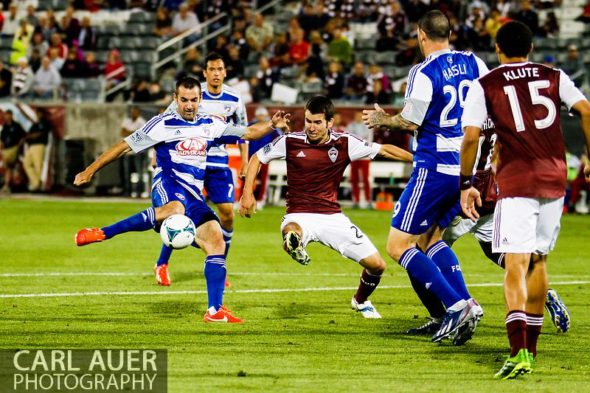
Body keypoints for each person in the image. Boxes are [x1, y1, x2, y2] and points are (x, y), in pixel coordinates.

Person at [73, 76, 290, 324]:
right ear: (175, 99)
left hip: (194, 195)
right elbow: (123, 146)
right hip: (167, 184)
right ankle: (103, 233)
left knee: (216, 240)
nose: (189, 105)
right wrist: (90, 170)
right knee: (175, 208)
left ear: (200, 100)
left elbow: (250, 132)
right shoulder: (162, 124)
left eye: (194, 100)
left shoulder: (210, 124)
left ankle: (214, 310)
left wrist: (272, 125)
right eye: (184, 100)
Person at [460, 21, 590, 379]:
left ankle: (518, 350)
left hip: (516, 180)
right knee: (539, 262)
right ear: (530, 48)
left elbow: (471, 137)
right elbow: (586, 111)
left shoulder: (486, 83)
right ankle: (530, 350)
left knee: (515, 265)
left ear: (498, 49)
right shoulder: (554, 75)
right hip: (553, 178)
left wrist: (465, 182)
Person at [362, 10, 487, 345]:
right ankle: (466, 305)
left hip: (433, 167)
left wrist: (383, 119)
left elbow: (412, 121)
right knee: (431, 240)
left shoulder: (423, 71)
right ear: (449, 33)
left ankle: (457, 306)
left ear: (420, 34)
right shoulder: (474, 62)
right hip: (465, 168)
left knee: (397, 245)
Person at [239, 96, 413, 318]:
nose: (311, 127)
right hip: (299, 213)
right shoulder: (290, 141)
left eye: (317, 122)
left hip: (332, 217)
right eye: (308, 121)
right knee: (292, 229)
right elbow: (257, 158)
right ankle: (293, 242)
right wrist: (247, 193)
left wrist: (420, 161)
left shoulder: (345, 143)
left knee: (377, 265)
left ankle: (360, 301)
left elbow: (385, 150)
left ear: (330, 122)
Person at [408, 119, 572, 336]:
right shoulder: (497, 108)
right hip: (493, 191)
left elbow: (460, 143)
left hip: (467, 191)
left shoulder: (467, 108)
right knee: (496, 250)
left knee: (418, 250)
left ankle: (450, 313)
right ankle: (546, 292)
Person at [154, 52, 249, 287]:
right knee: (179, 216)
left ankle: (219, 263)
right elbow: (163, 122)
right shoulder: (192, 94)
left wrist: (245, 162)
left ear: (225, 72)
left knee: (227, 214)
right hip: (188, 162)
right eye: (211, 69)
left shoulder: (234, 99)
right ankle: (162, 264)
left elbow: (244, 132)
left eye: (220, 69)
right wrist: (158, 155)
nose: (216, 73)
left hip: (218, 164)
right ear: (204, 72)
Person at [120, 106, 147, 198]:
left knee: (139, 173)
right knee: (126, 173)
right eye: (132, 112)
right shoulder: (126, 121)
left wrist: (129, 133)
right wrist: (134, 133)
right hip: (127, 152)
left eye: (135, 112)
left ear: (138, 113)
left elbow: (141, 136)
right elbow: (122, 132)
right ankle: (127, 192)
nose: (133, 113)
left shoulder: (142, 121)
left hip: (138, 151)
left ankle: (139, 192)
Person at [23, 108, 52, 192]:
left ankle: (37, 186)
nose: (38, 115)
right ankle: (36, 182)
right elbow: (28, 134)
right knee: (26, 163)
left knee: (38, 165)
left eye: (39, 113)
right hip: (31, 146)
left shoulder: (44, 123)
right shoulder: (35, 124)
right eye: (37, 113)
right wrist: (29, 136)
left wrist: (30, 136)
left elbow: (38, 134)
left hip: (39, 145)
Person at [348, 111, 373, 208]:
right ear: (354, 117)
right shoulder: (350, 126)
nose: (358, 117)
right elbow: (349, 139)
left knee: (365, 179)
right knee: (354, 179)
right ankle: (356, 201)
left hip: (365, 156)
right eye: (356, 116)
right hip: (354, 156)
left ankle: (368, 201)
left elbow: (368, 140)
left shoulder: (368, 126)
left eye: (360, 116)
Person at [0, 110, 27, 194]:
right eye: (6, 115)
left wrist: (18, 146)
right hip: (6, 150)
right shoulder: (5, 127)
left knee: (11, 167)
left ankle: (9, 185)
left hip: (13, 148)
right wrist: (2, 150)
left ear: (12, 115)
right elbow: (2, 139)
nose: (7, 117)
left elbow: (23, 136)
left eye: (9, 115)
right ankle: (8, 185)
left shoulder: (16, 126)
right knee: (9, 167)